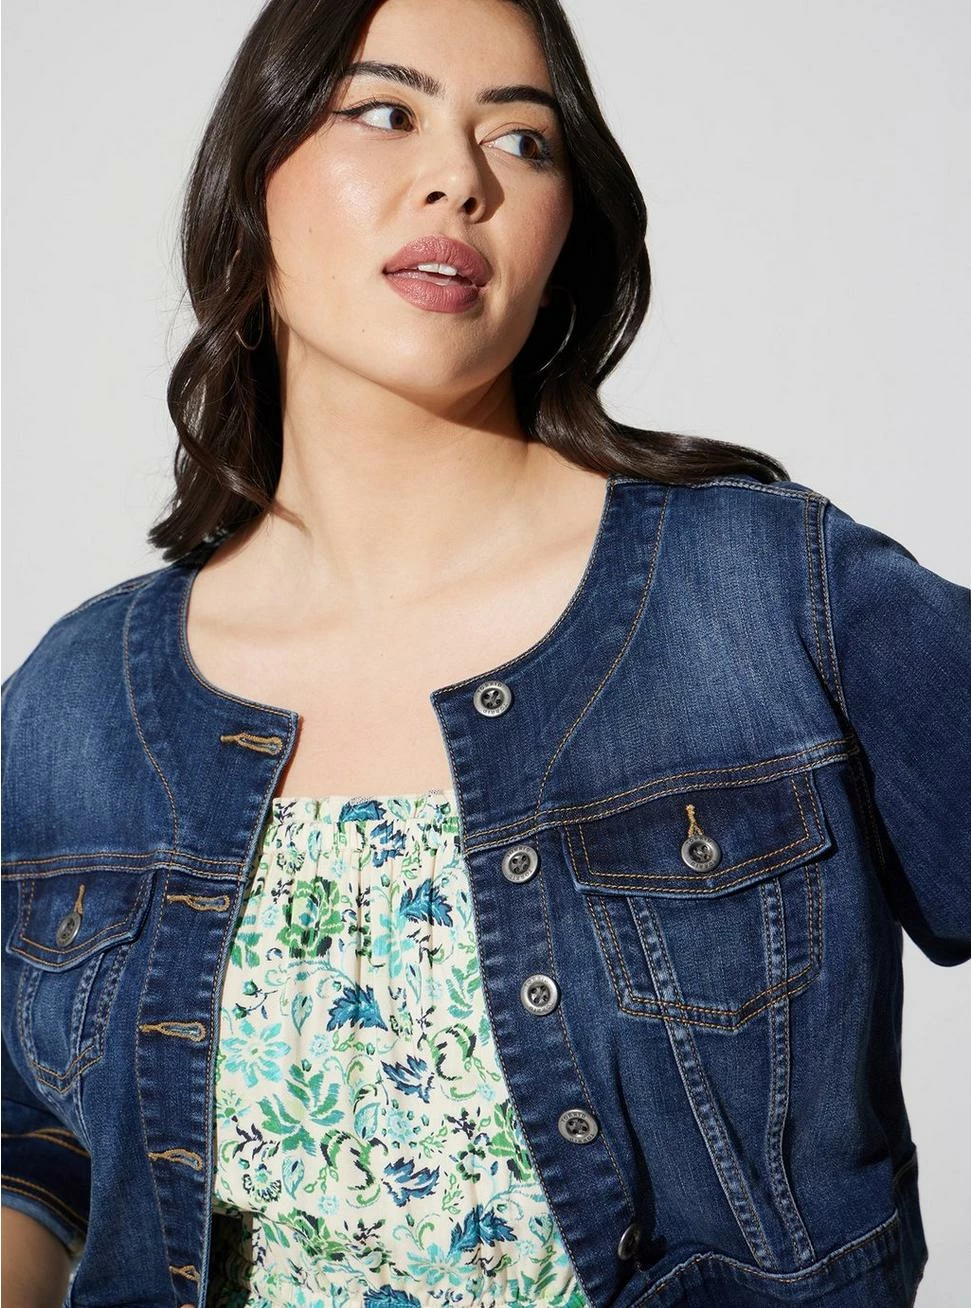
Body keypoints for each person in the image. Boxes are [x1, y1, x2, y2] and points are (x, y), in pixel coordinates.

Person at [2, 0, 968, 1305]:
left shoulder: (767, 596)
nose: (460, 177)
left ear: (565, 237)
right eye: (384, 111)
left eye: (522, 141)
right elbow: (31, 1139)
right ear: (251, 184)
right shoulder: (73, 701)